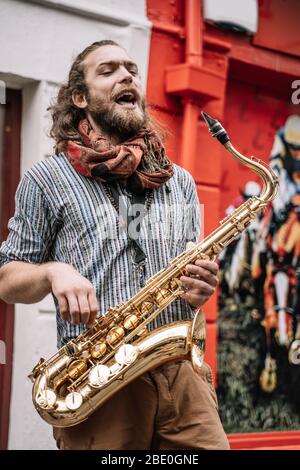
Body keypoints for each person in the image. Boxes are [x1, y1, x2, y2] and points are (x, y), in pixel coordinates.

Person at [0, 40, 229, 450]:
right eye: (107, 70)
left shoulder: (180, 183)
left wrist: (202, 287)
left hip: (181, 376)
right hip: (100, 381)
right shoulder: (47, 179)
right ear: (80, 98)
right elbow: (7, 278)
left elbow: (191, 278)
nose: (126, 75)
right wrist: (53, 271)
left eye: (131, 70)